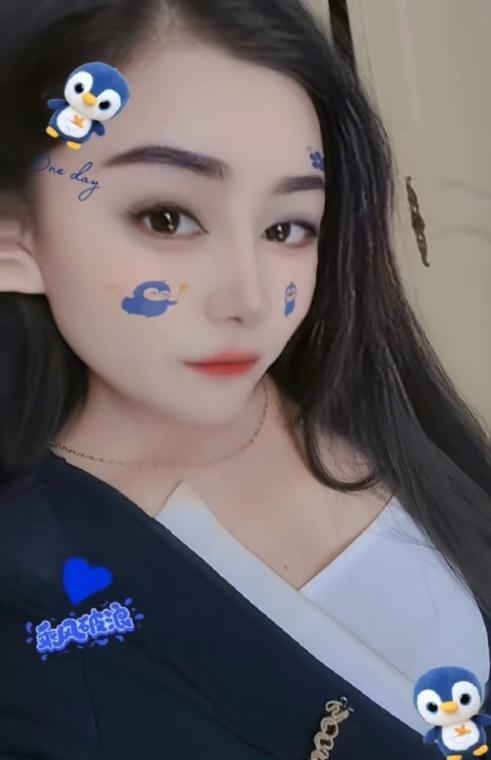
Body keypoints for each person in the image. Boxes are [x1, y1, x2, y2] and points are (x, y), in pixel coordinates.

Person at [0, 0, 490, 757]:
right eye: (167, 218)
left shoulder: (373, 409)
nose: (251, 300)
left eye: (286, 227)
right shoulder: (30, 595)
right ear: (16, 233)